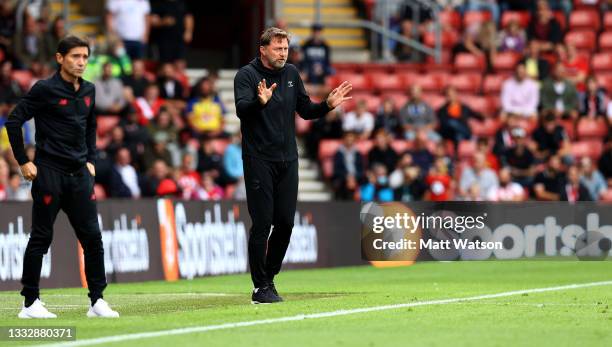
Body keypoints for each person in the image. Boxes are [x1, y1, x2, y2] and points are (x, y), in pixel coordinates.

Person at [234, 27, 351, 304]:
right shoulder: (247, 75)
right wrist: (259, 103)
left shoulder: (291, 74)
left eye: (285, 48)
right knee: (262, 224)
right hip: (258, 158)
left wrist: (327, 106)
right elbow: (241, 109)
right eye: (277, 48)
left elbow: (305, 110)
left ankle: (269, 280)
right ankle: (259, 287)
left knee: (285, 223)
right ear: (263, 49)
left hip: (288, 159)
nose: (283, 53)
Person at [5, 36, 119, 318]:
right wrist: (23, 161)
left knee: (93, 238)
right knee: (41, 238)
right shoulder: (44, 89)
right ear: (60, 58)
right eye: (75, 56)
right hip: (49, 173)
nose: (81, 62)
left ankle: (97, 301)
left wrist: (91, 160)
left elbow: (90, 126)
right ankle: (30, 303)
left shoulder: (90, 90)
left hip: (79, 175)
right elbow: (13, 121)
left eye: (85, 57)